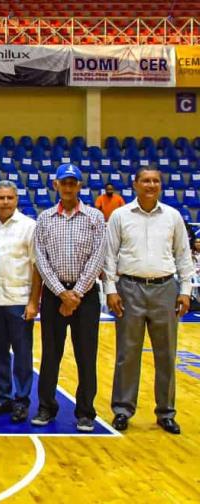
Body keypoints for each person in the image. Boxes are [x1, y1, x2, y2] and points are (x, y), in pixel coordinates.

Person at [104, 167, 192, 435]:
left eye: (155, 181)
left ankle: (166, 412)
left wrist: (185, 289)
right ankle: (122, 410)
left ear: (160, 185)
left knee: (166, 354)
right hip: (129, 287)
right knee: (127, 354)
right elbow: (109, 256)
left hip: (165, 288)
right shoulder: (119, 216)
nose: (151, 185)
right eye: (146, 180)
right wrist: (110, 289)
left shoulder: (173, 216)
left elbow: (183, 255)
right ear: (135, 184)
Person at [33, 163, 106, 432]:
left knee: (86, 355)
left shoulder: (95, 217)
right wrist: (62, 293)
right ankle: (45, 407)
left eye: (72, 182)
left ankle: (86, 411)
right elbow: (41, 259)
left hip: (85, 296)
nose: (68, 187)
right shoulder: (44, 218)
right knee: (51, 355)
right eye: (64, 182)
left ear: (79, 185)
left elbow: (98, 257)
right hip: (54, 295)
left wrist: (75, 294)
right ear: (56, 185)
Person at [0, 181, 42, 423]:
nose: (5, 202)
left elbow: (37, 268)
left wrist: (33, 302)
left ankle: (22, 399)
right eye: (1, 198)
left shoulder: (30, 227)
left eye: (10, 198)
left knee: (23, 353)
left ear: (17, 200)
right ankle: (3, 397)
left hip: (19, 299)